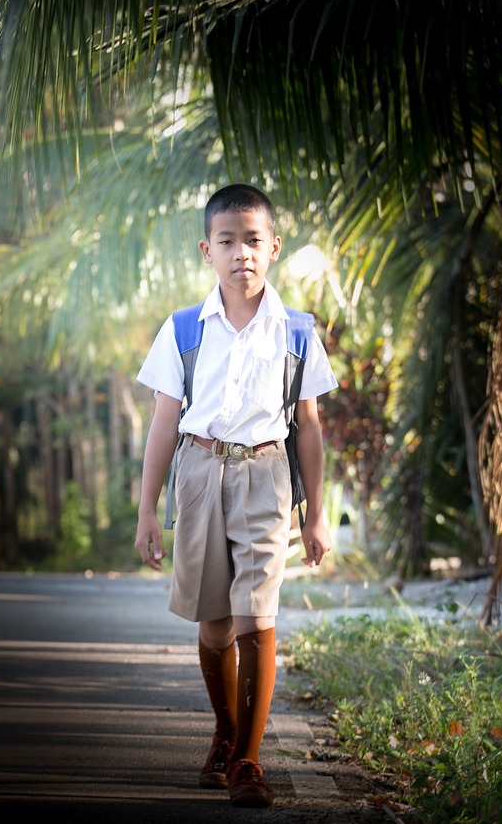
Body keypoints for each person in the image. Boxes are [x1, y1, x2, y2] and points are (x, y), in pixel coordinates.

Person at [133, 183, 338, 808]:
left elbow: (309, 428)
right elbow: (164, 424)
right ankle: (225, 733)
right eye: (227, 241)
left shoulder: (297, 333)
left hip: (266, 476)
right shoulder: (183, 330)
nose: (240, 253)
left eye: (253, 240)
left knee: (256, 614)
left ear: (273, 247)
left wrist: (316, 514)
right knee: (215, 621)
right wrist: (148, 511)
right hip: (199, 472)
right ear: (207, 250)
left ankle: (248, 761)